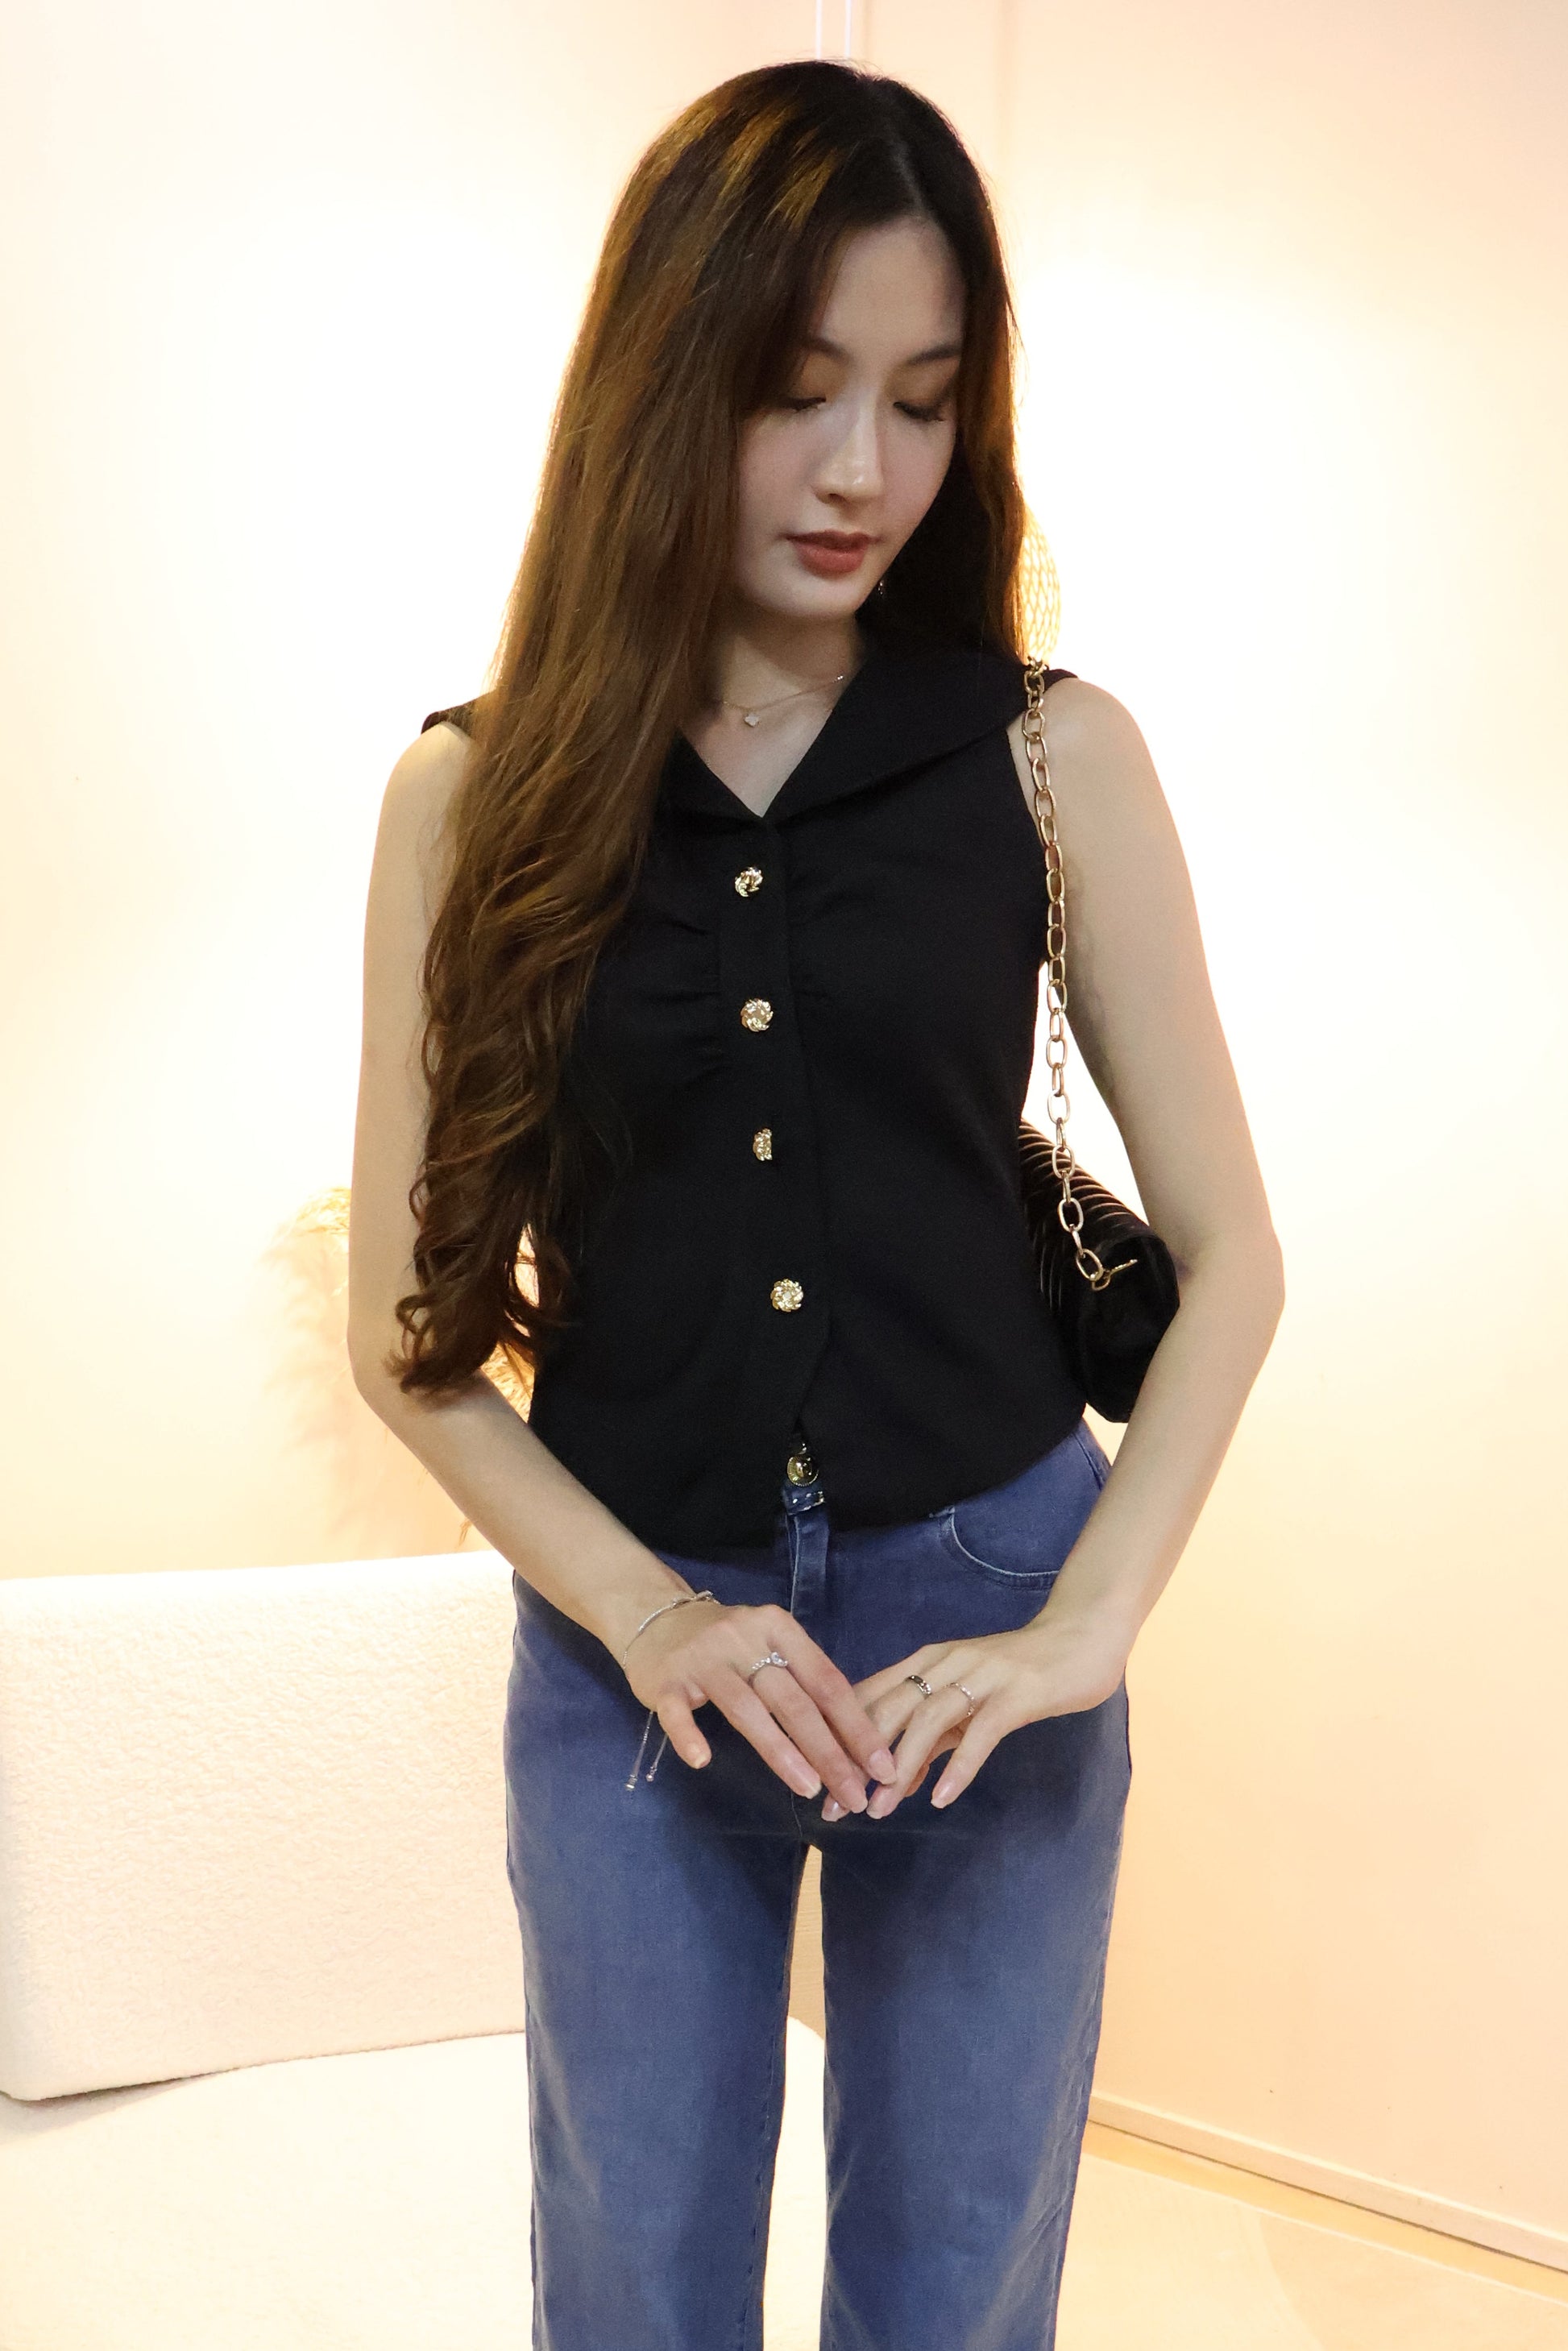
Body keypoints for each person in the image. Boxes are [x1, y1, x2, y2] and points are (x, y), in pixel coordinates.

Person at [347, 56, 1284, 2351]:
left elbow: (1234, 1262)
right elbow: (405, 1337)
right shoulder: (472, 796)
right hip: (635, 1651)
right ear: (663, 384)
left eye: (923, 401)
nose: (864, 468)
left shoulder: (1053, 757)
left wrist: (1087, 1630)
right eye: (796, 392)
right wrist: (645, 1619)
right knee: (634, 2285)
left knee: (954, 2293)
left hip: (986, 1621)